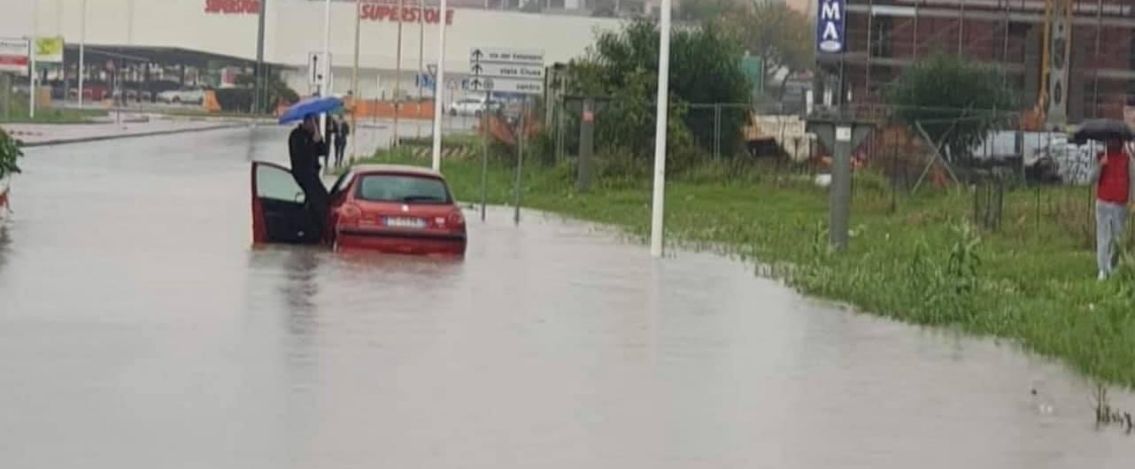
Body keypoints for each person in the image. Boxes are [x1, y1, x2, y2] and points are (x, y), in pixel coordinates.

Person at [1093, 138, 1135, 280]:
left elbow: (1132, 179)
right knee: (1103, 237)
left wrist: (1132, 199)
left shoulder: (1127, 159)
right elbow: (1092, 178)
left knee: (1118, 237)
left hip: (1120, 203)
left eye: (1116, 141)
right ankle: (1102, 269)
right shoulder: (1100, 157)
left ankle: (1113, 265)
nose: (1113, 144)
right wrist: (1100, 166)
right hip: (1103, 202)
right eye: (1110, 141)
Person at [289, 114, 330, 243]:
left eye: (316, 123)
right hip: (302, 176)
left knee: (324, 200)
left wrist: (318, 139)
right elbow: (301, 156)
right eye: (313, 122)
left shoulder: (312, 136)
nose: (314, 125)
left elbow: (323, 152)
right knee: (318, 203)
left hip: (313, 175)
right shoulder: (296, 136)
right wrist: (312, 141)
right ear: (306, 122)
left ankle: (320, 234)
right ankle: (316, 233)